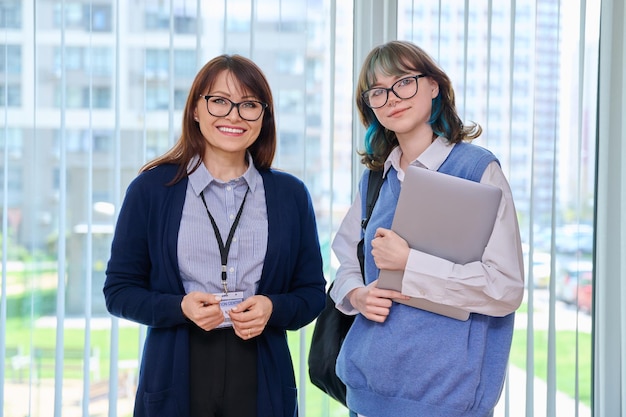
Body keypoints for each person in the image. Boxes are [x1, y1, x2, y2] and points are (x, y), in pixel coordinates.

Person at [103, 54, 326, 417]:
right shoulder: (152, 189)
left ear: (263, 116)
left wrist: (272, 308)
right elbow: (119, 292)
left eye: (249, 104)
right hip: (176, 370)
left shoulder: (290, 195)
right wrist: (179, 307)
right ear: (195, 109)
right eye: (219, 101)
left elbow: (313, 294)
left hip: (262, 372)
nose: (234, 115)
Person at [330, 40, 525, 417]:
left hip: (446, 401)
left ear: (433, 86)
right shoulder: (374, 181)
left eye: (404, 82)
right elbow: (345, 263)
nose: (392, 98)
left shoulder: (477, 171)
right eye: (378, 91)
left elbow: (505, 289)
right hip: (367, 394)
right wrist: (356, 295)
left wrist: (410, 263)